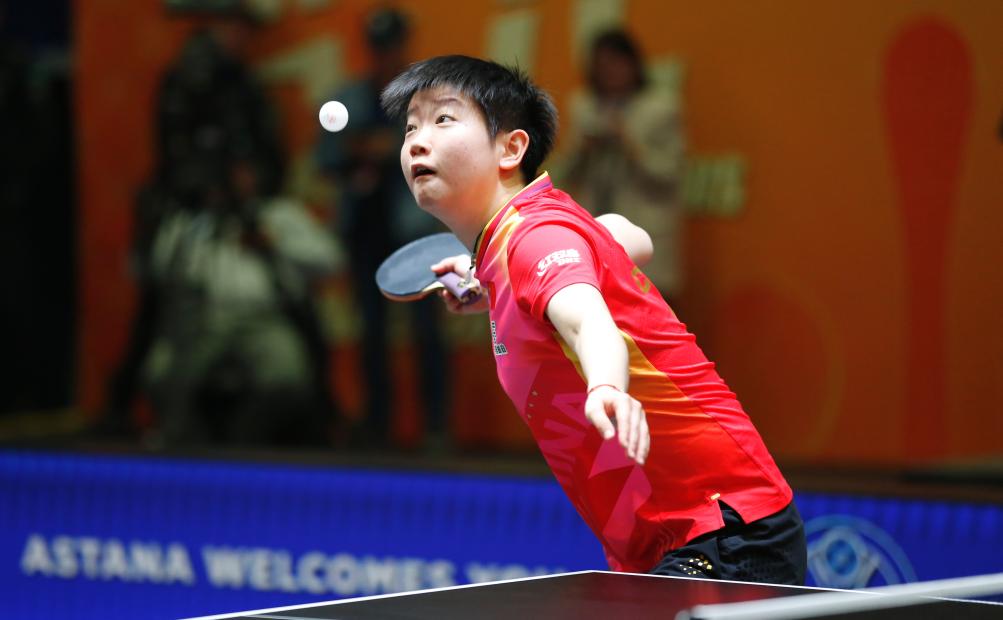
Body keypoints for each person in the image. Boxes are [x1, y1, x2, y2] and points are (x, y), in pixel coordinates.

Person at [380, 55, 806, 584]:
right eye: (410, 127)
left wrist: (606, 385)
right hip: (685, 535)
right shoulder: (531, 240)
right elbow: (632, 237)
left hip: (723, 529)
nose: (417, 142)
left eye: (443, 119)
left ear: (511, 149)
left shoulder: (534, 240)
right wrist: (494, 285)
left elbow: (588, 322)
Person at [315, 8, 448, 450]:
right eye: (379, 47)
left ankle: (435, 427)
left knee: (426, 331)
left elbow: (444, 155)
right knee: (371, 332)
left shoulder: (428, 102)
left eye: (393, 47)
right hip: (365, 230)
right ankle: (378, 427)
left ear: (405, 47)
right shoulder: (348, 100)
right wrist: (353, 153)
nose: (386, 56)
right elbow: (325, 158)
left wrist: (388, 149)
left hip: (415, 231)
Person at [559, 29, 686, 301]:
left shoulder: (660, 108)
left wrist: (630, 146)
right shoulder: (585, 107)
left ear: (633, 64)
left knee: (648, 318)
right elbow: (564, 174)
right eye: (601, 66)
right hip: (595, 233)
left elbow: (671, 173)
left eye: (616, 64)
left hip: (646, 233)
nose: (609, 73)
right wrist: (583, 148)